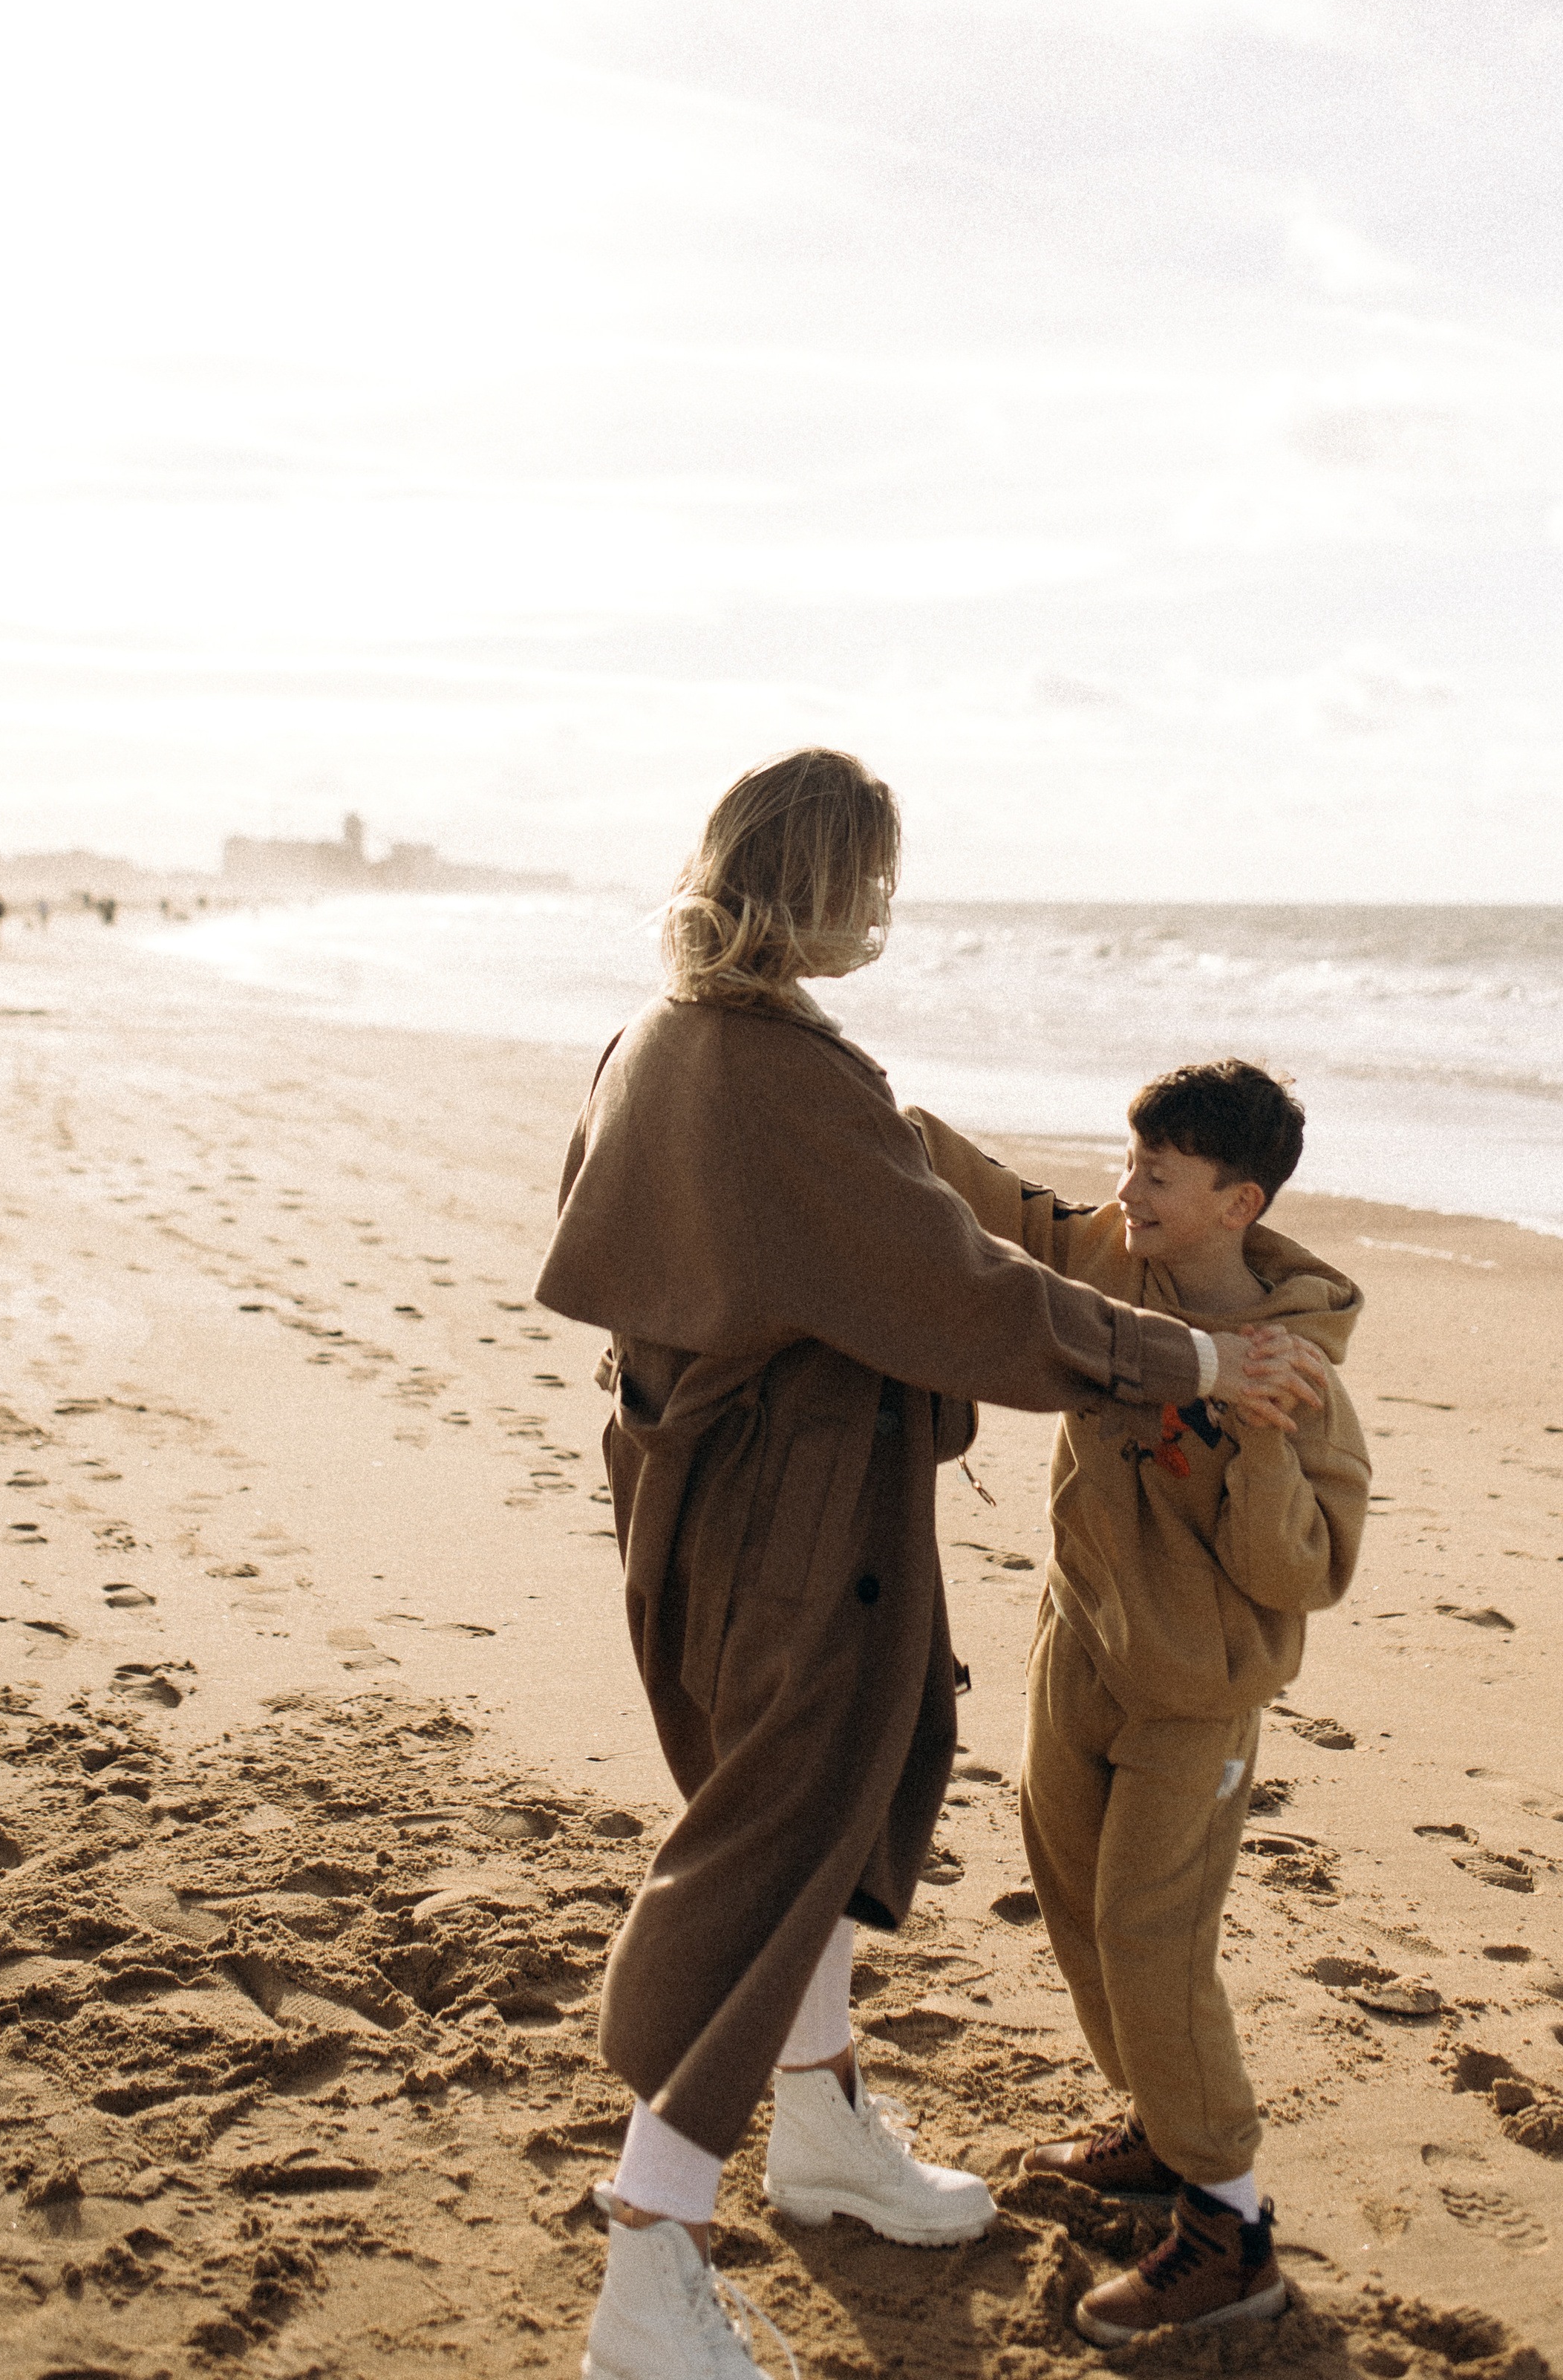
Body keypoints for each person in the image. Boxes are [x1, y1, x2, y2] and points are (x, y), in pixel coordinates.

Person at [534, 754, 1327, 2380]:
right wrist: (1183, 1366)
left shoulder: (655, 1041)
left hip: (691, 1497)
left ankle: (820, 2133)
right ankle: (646, 2260)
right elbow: (965, 1292)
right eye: (874, 878)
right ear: (828, 888)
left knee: (838, 1800)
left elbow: (679, 1265)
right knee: (768, 1844)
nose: (887, 908)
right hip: (792, 1522)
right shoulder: (776, 1075)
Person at [908, 1060, 1369, 2344]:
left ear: (1239, 1201)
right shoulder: (1118, 1262)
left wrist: (1258, 1433)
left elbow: (1305, 1574)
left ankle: (1230, 2230)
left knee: (1151, 1935)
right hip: (1081, 1652)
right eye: (1131, 1165)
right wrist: (871, 1105)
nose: (1128, 1194)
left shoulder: (1303, 1379)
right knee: (1070, 1895)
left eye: (1157, 1178)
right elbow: (1017, 1208)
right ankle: (1161, 2134)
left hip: (1195, 1699)